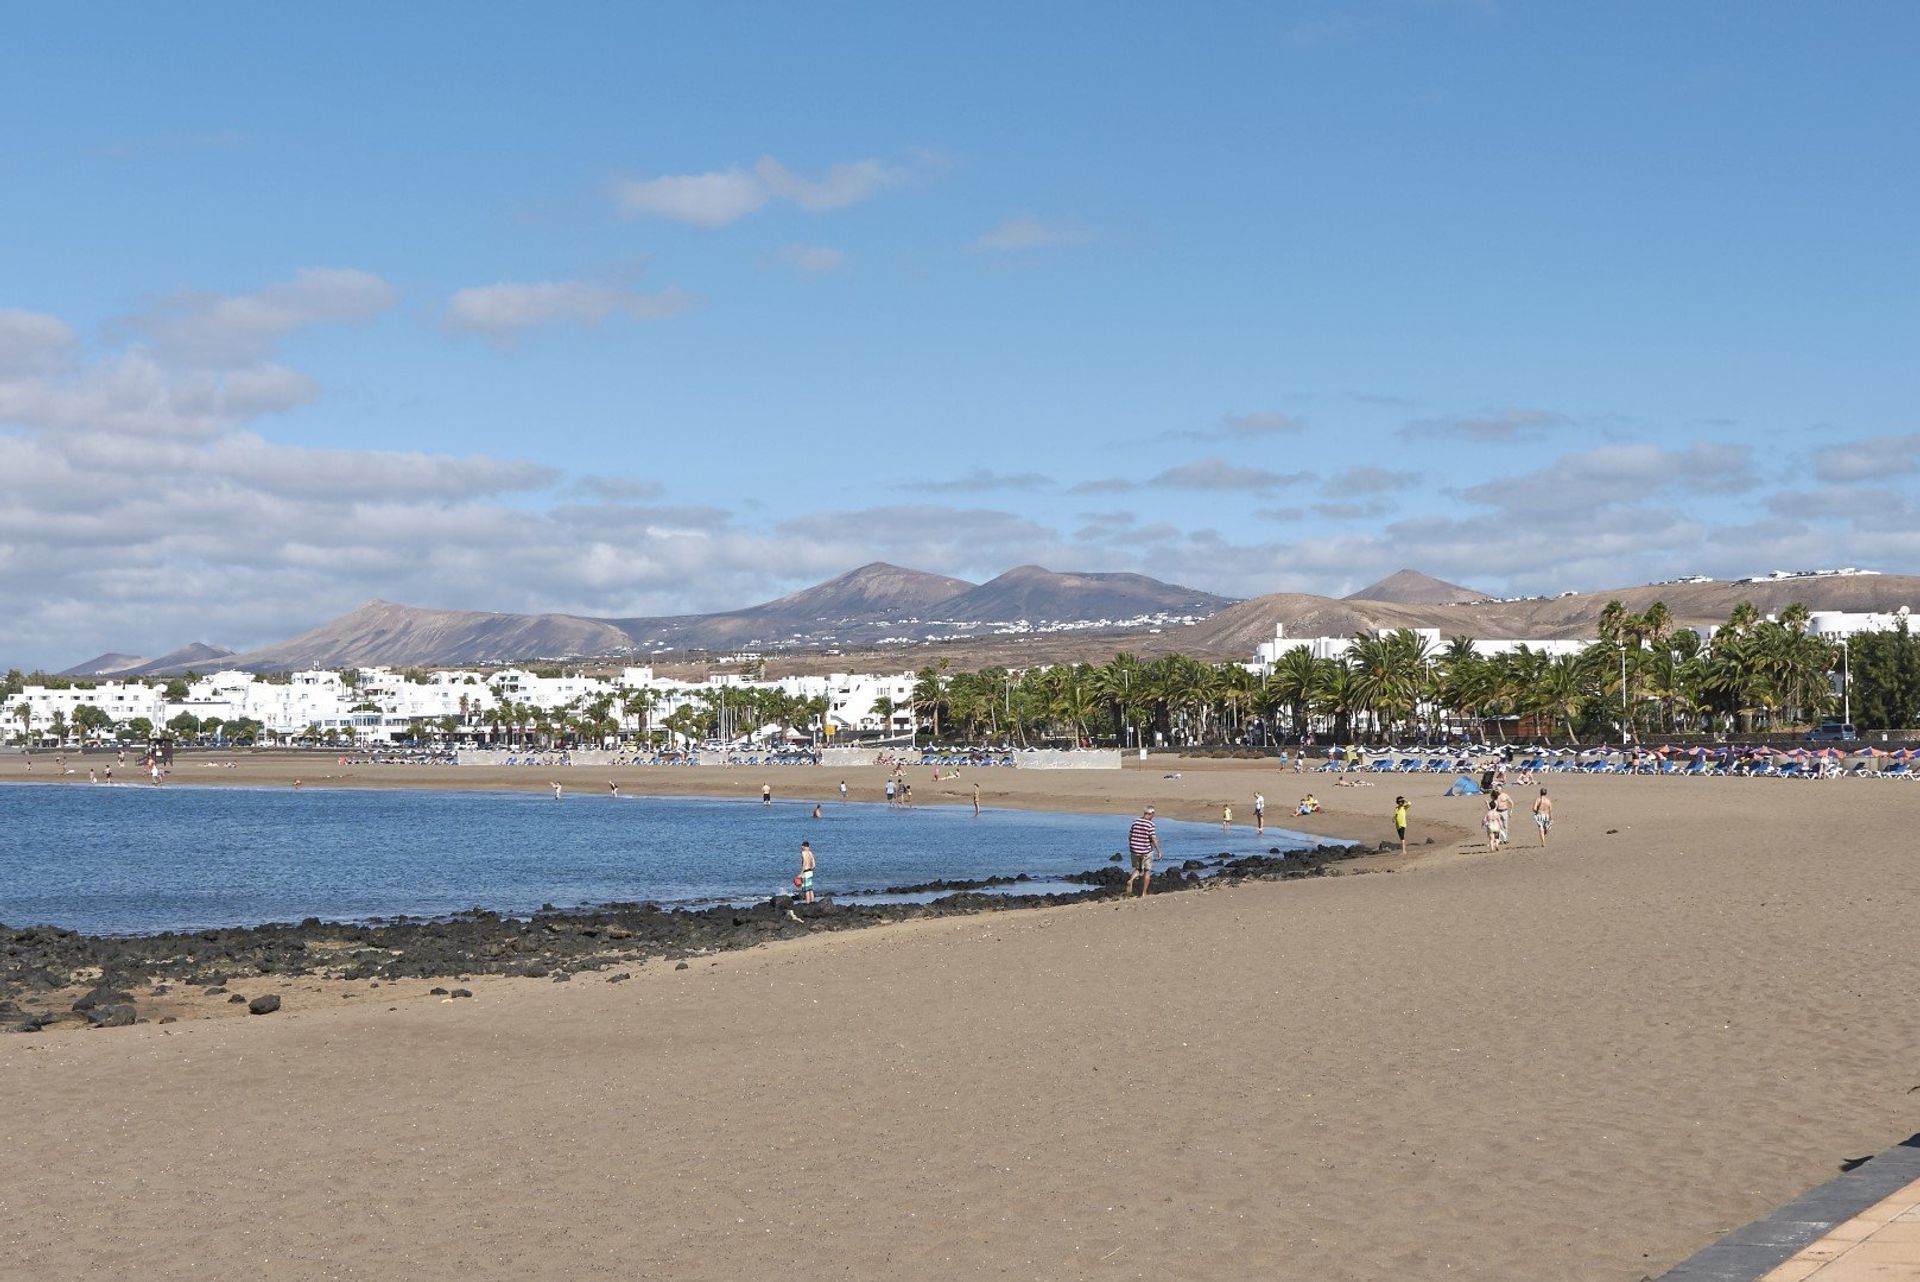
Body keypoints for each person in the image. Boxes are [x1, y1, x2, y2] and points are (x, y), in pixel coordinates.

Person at [1125, 806, 1162, 898]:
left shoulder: (1135, 821)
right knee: (1147, 871)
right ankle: (1143, 893)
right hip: (1145, 851)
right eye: (1153, 814)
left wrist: (1133, 845)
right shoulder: (1150, 824)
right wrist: (1159, 851)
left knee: (1138, 869)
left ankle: (1131, 879)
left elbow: (1130, 835)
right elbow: (1153, 839)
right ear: (1151, 814)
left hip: (1134, 850)